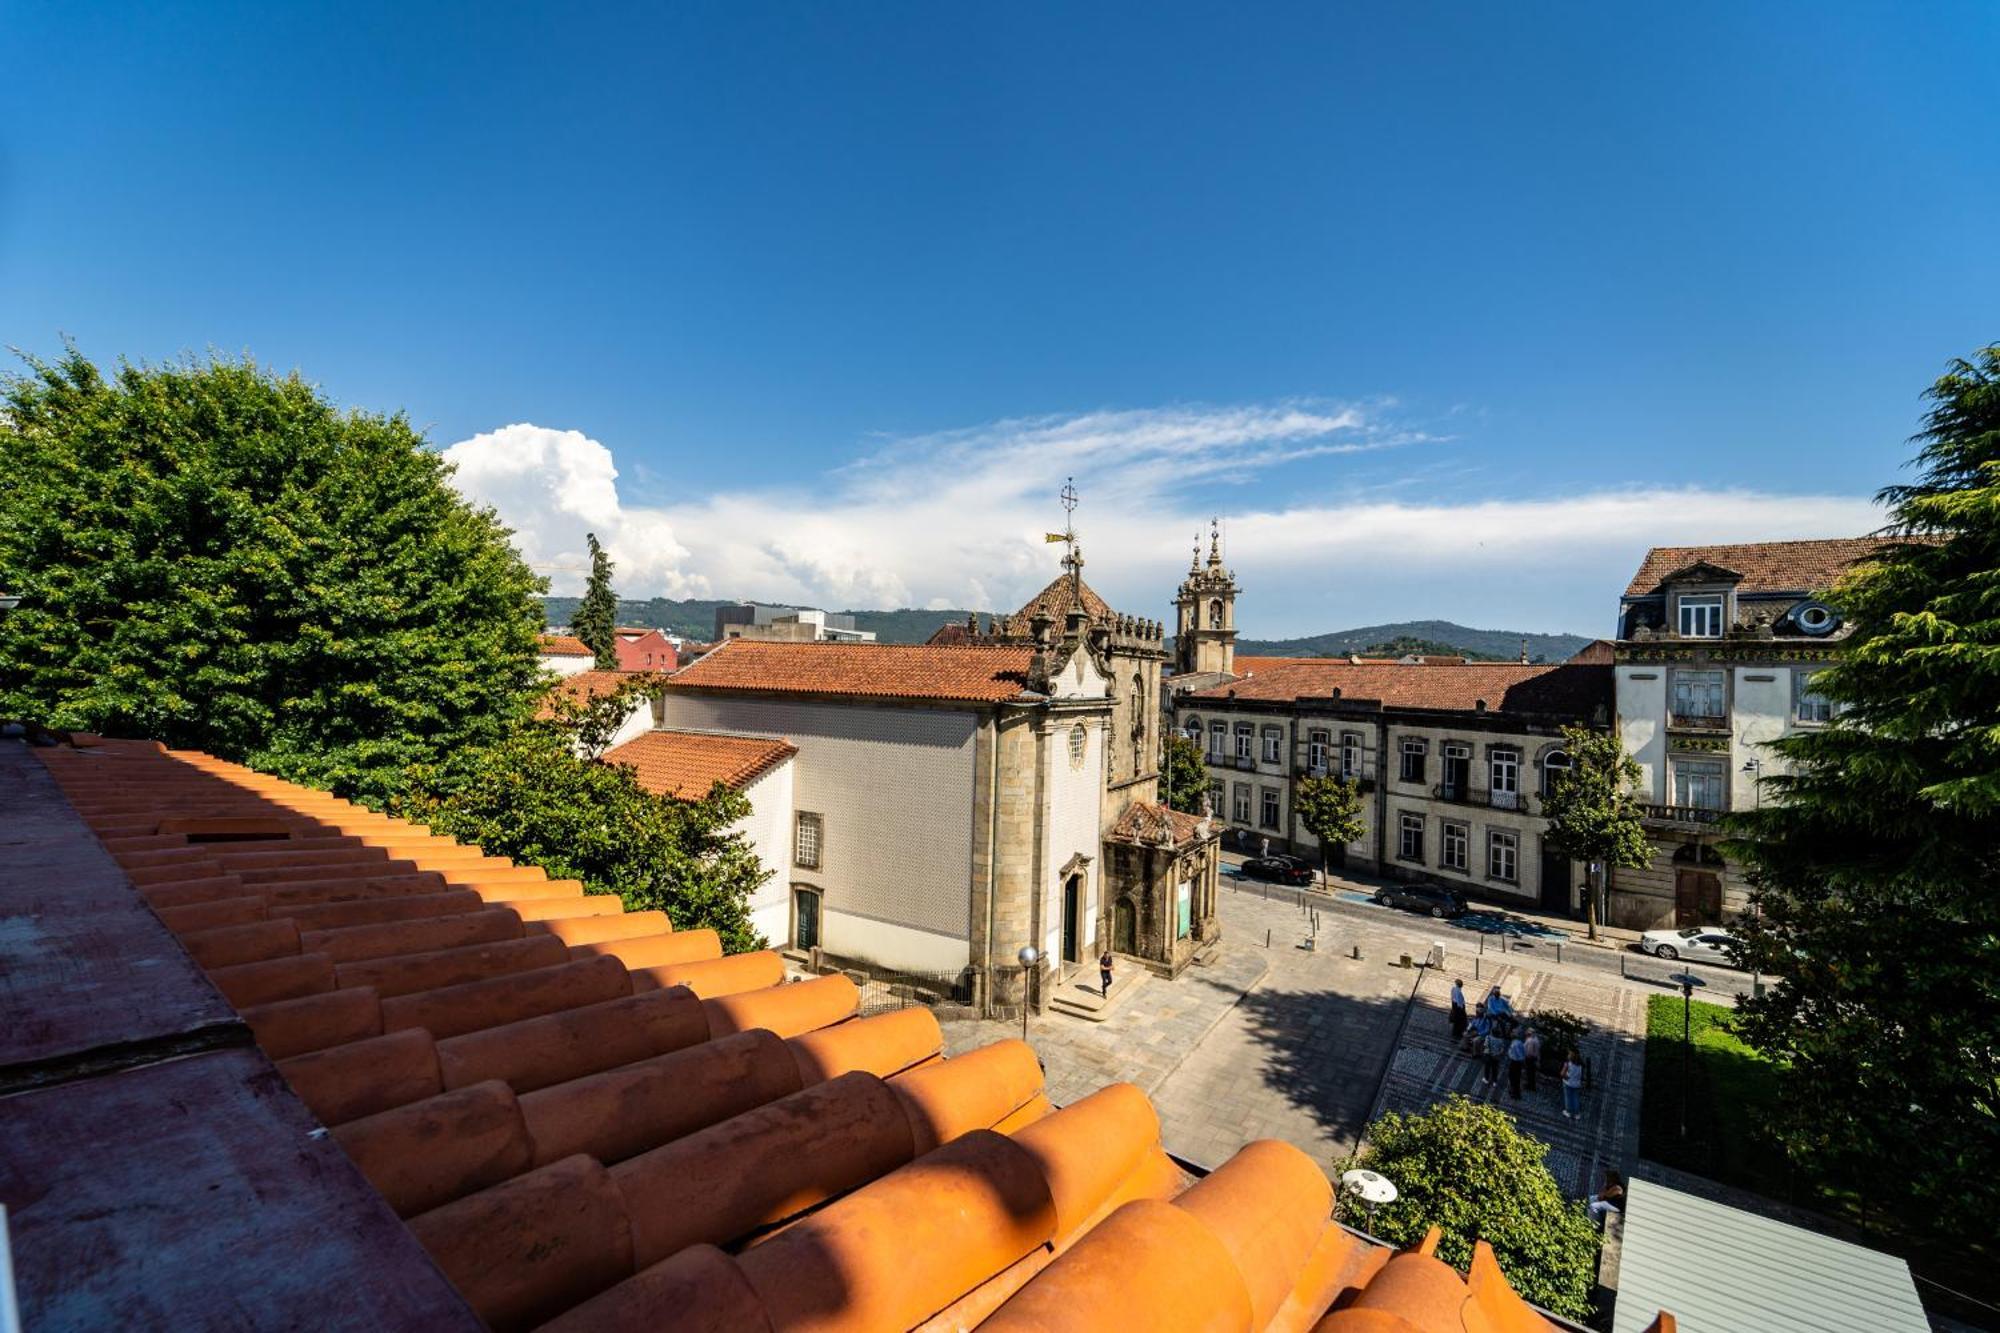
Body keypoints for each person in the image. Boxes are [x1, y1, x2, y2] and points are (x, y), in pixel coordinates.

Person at [1561, 1051, 1584, 1119]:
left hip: (1568, 1083)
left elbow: (1562, 1073)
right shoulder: (1580, 1065)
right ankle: (1577, 1113)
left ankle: (1568, 1111)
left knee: (1568, 1097)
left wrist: (1566, 1077)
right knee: (1575, 1097)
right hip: (1576, 1084)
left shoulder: (1568, 1064)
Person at [1506, 1031, 1527, 1099]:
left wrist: (1522, 1062)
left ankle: (1515, 1093)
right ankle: (1514, 1092)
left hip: (1515, 1062)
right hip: (1516, 1062)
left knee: (1513, 1078)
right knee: (1515, 1078)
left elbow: (1520, 1055)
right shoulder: (1519, 1042)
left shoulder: (1515, 1044)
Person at [1522, 1027, 1541, 1092]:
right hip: (1534, 1058)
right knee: (1532, 1073)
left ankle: (1530, 1086)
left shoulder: (1531, 1040)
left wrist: (1524, 1057)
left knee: (1529, 1072)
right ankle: (1531, 1085)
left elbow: (1529, 1052)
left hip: (1530, 1059)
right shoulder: (1535, 1039)